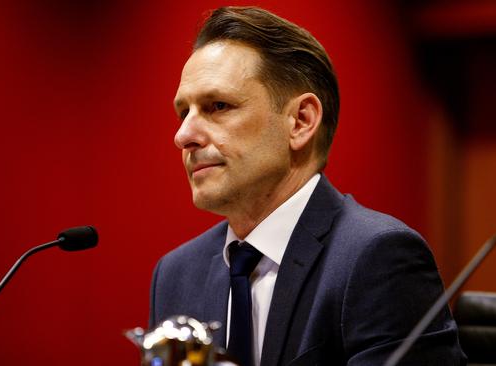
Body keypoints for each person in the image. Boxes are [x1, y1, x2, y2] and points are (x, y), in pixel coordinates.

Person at [149, 6, 465, 366]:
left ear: (300, 121)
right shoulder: (176, 275)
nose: (183, 136)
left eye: (218, 106)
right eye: (182, 113)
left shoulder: (375, 258)